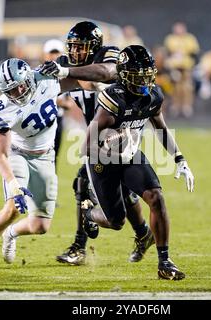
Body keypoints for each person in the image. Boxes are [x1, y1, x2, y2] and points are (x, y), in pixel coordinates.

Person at [0, 54, 126, 270]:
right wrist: (12, 183)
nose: (17, 92)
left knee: (40, 226)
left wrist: (100, 85)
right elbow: (1, 154)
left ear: (28, 78)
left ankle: (11, 234)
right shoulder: (2, 110)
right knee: (13, 208)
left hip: (45, 157)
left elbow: (80, 81)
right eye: (11, 90)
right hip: (18, 154)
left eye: (20, 86)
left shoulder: (45, 80)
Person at [82, 45, 195, 280]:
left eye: (147, 74)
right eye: (138, 75)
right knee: (116, 221)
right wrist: (108, 143)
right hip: (103, 162)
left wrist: (180, 159)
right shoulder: (114, 99)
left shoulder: (153, 95)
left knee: (156, 196)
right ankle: (88, 213)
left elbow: (161, 128)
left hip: (130, 154)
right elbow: (86, 146)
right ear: (124, 75)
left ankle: (165, 262)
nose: (144, 80)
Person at [55, 21, 155, 266]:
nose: (75, 53)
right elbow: (48, 87)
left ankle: (80, 245)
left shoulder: (109, 55)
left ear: (94, 46)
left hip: (122, 134)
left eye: (81, 47)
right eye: (73, 47)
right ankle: (143, 234)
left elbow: (106, 72)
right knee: (121, 192)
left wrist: (67, 73)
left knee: (87, 183)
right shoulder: (67, 65)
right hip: (98, 137)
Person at [164, 22, 199, 118]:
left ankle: (187, 106)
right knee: (175, 87)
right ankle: (175, 105)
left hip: (186, 66)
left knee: (187, 86)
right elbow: (167, 53)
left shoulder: (190, 38)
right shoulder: (170, 39)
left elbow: (194, 53)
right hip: (174, 67)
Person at [42, 39, 66, 170]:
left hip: (58, 119)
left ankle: (50, 187)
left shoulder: (66, 75)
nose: (54, 56)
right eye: (52, 53)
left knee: (54, 157)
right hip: (41, 120)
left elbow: (68, 104)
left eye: (57, 53)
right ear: (45, 54)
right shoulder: (38, 74)